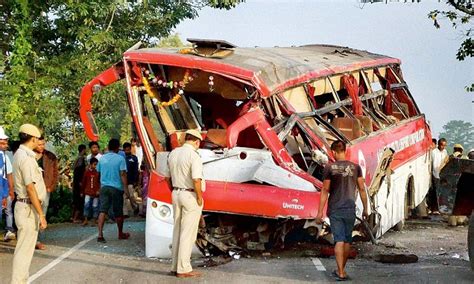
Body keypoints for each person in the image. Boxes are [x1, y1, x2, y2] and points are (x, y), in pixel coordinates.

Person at [315, 140, 368, 281]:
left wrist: (319, 211)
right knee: (347, 240)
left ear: (333, 152)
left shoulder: (329, 168)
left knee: (338, 240)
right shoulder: (356, 168)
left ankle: (340, 272)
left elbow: (325, 190)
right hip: (350, 209)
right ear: (345, 150)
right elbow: (362, 189)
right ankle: (342, 270)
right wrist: (366, 208)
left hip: (336, 209)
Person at [11, 124, 47, 284]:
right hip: (27, 208)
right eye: (38, 138)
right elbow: (30, 188)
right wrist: (41, 214)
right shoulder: (25, 158)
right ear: (33, 138)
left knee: (25, 251)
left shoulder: (22, 155)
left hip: (25, 206)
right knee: (24, 252)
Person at [165, 129, 204, 278]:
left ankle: (175, 266)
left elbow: (167, 178)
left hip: (176, 193)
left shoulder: (173, 153)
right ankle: (184, 268)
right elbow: (196, 179)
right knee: (188, 233)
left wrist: (174, 191)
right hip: (190, 195)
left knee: (177, 230)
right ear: (196, 141)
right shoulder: (194, 155)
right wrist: (199, 197)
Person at [96, 138, 129, 243]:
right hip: (116, 188)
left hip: (104, 187)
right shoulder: (120, 159)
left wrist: (98, 187)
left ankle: (100, 234)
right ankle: (120, 233)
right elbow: (123, 174)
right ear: (117, 148)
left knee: (102, 210)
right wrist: (126, 189)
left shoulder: (102, 159)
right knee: (118, 212)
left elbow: (98, 173)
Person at [34, 136, 58, 250]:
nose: (41, 147)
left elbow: (55, 173)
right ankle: (32, 238)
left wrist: (51, 187)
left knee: (42, 213)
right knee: (32, 213)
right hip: (32, 188)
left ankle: (39, 239)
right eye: (39, 144)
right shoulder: (29, 156)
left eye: (43, 144)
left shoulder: (50, 157)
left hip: (45, 188)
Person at [1, 126, 15, 241]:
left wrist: (10, 190)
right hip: (3, 191)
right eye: (3, 143)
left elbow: (8, 175)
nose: (6, 145)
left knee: (8, 211)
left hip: (4, 191)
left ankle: (9, 230)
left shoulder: (5, 157)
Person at [428, 138, 448, 215]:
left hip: (442, 175)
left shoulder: (445, 152)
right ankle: (434, 208)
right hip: (435, 174)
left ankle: (440, 208)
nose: (443, 147)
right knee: (435, 192)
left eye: (445, 145)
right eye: (442, 145)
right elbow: (431, 163)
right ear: (439, 145)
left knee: (442, 193)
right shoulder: (434, 152)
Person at [81, 157, 100, 226]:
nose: (95, 166)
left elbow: (99, 183)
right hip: (88, 192)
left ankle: (94, 220)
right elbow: (83, 182)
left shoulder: (97, 173)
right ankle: (85, 220)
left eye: (96, 165)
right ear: (91, 164)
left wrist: (99, 190)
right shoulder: (87, 172)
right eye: (94, 164)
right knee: (86, 205)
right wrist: (82, 191)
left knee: (95, 207)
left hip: (96, 193)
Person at [122, 142, 139, 217]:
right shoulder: (122, 158)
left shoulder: (134, 158)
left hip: (131, 181)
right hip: (123, 181)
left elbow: (136, 170)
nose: (127, 151)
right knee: (124, 197)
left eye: (128, 150)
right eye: (126, 150)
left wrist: (135, 180)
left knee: (131, 196)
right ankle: (125, 213)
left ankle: (135, 207)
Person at [72, 144, 87, 223]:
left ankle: (74, 217)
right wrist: (81, 182)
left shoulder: (77, 158)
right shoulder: (81, 159)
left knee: (76, 200)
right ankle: (75, 218)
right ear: (83, 150)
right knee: (79, 201)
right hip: (79, 183)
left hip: (76, 182)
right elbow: (79, 172)